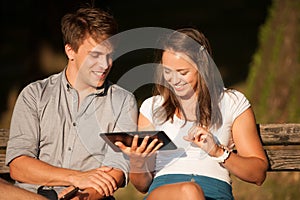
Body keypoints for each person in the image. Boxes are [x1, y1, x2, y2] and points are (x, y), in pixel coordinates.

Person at [116, 28, 269, 200]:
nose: (173, 81)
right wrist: (138, 163)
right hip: (164, 193)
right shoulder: (152, 107)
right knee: (189, 191)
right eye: (167, 72)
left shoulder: (231, 103)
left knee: (191, 192)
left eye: (182, 72)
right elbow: (143, 186)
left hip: (215, 193)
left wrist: (218, 152)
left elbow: (257, 174)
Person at [5, 7, 137, 200]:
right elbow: (18, 166)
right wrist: (77, 178)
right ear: (70, 51)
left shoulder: (123, 101)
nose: (105, 64)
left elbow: (117, 169)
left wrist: (83, 195)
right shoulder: (35, 94)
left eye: (110, 55)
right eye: (95, 55)